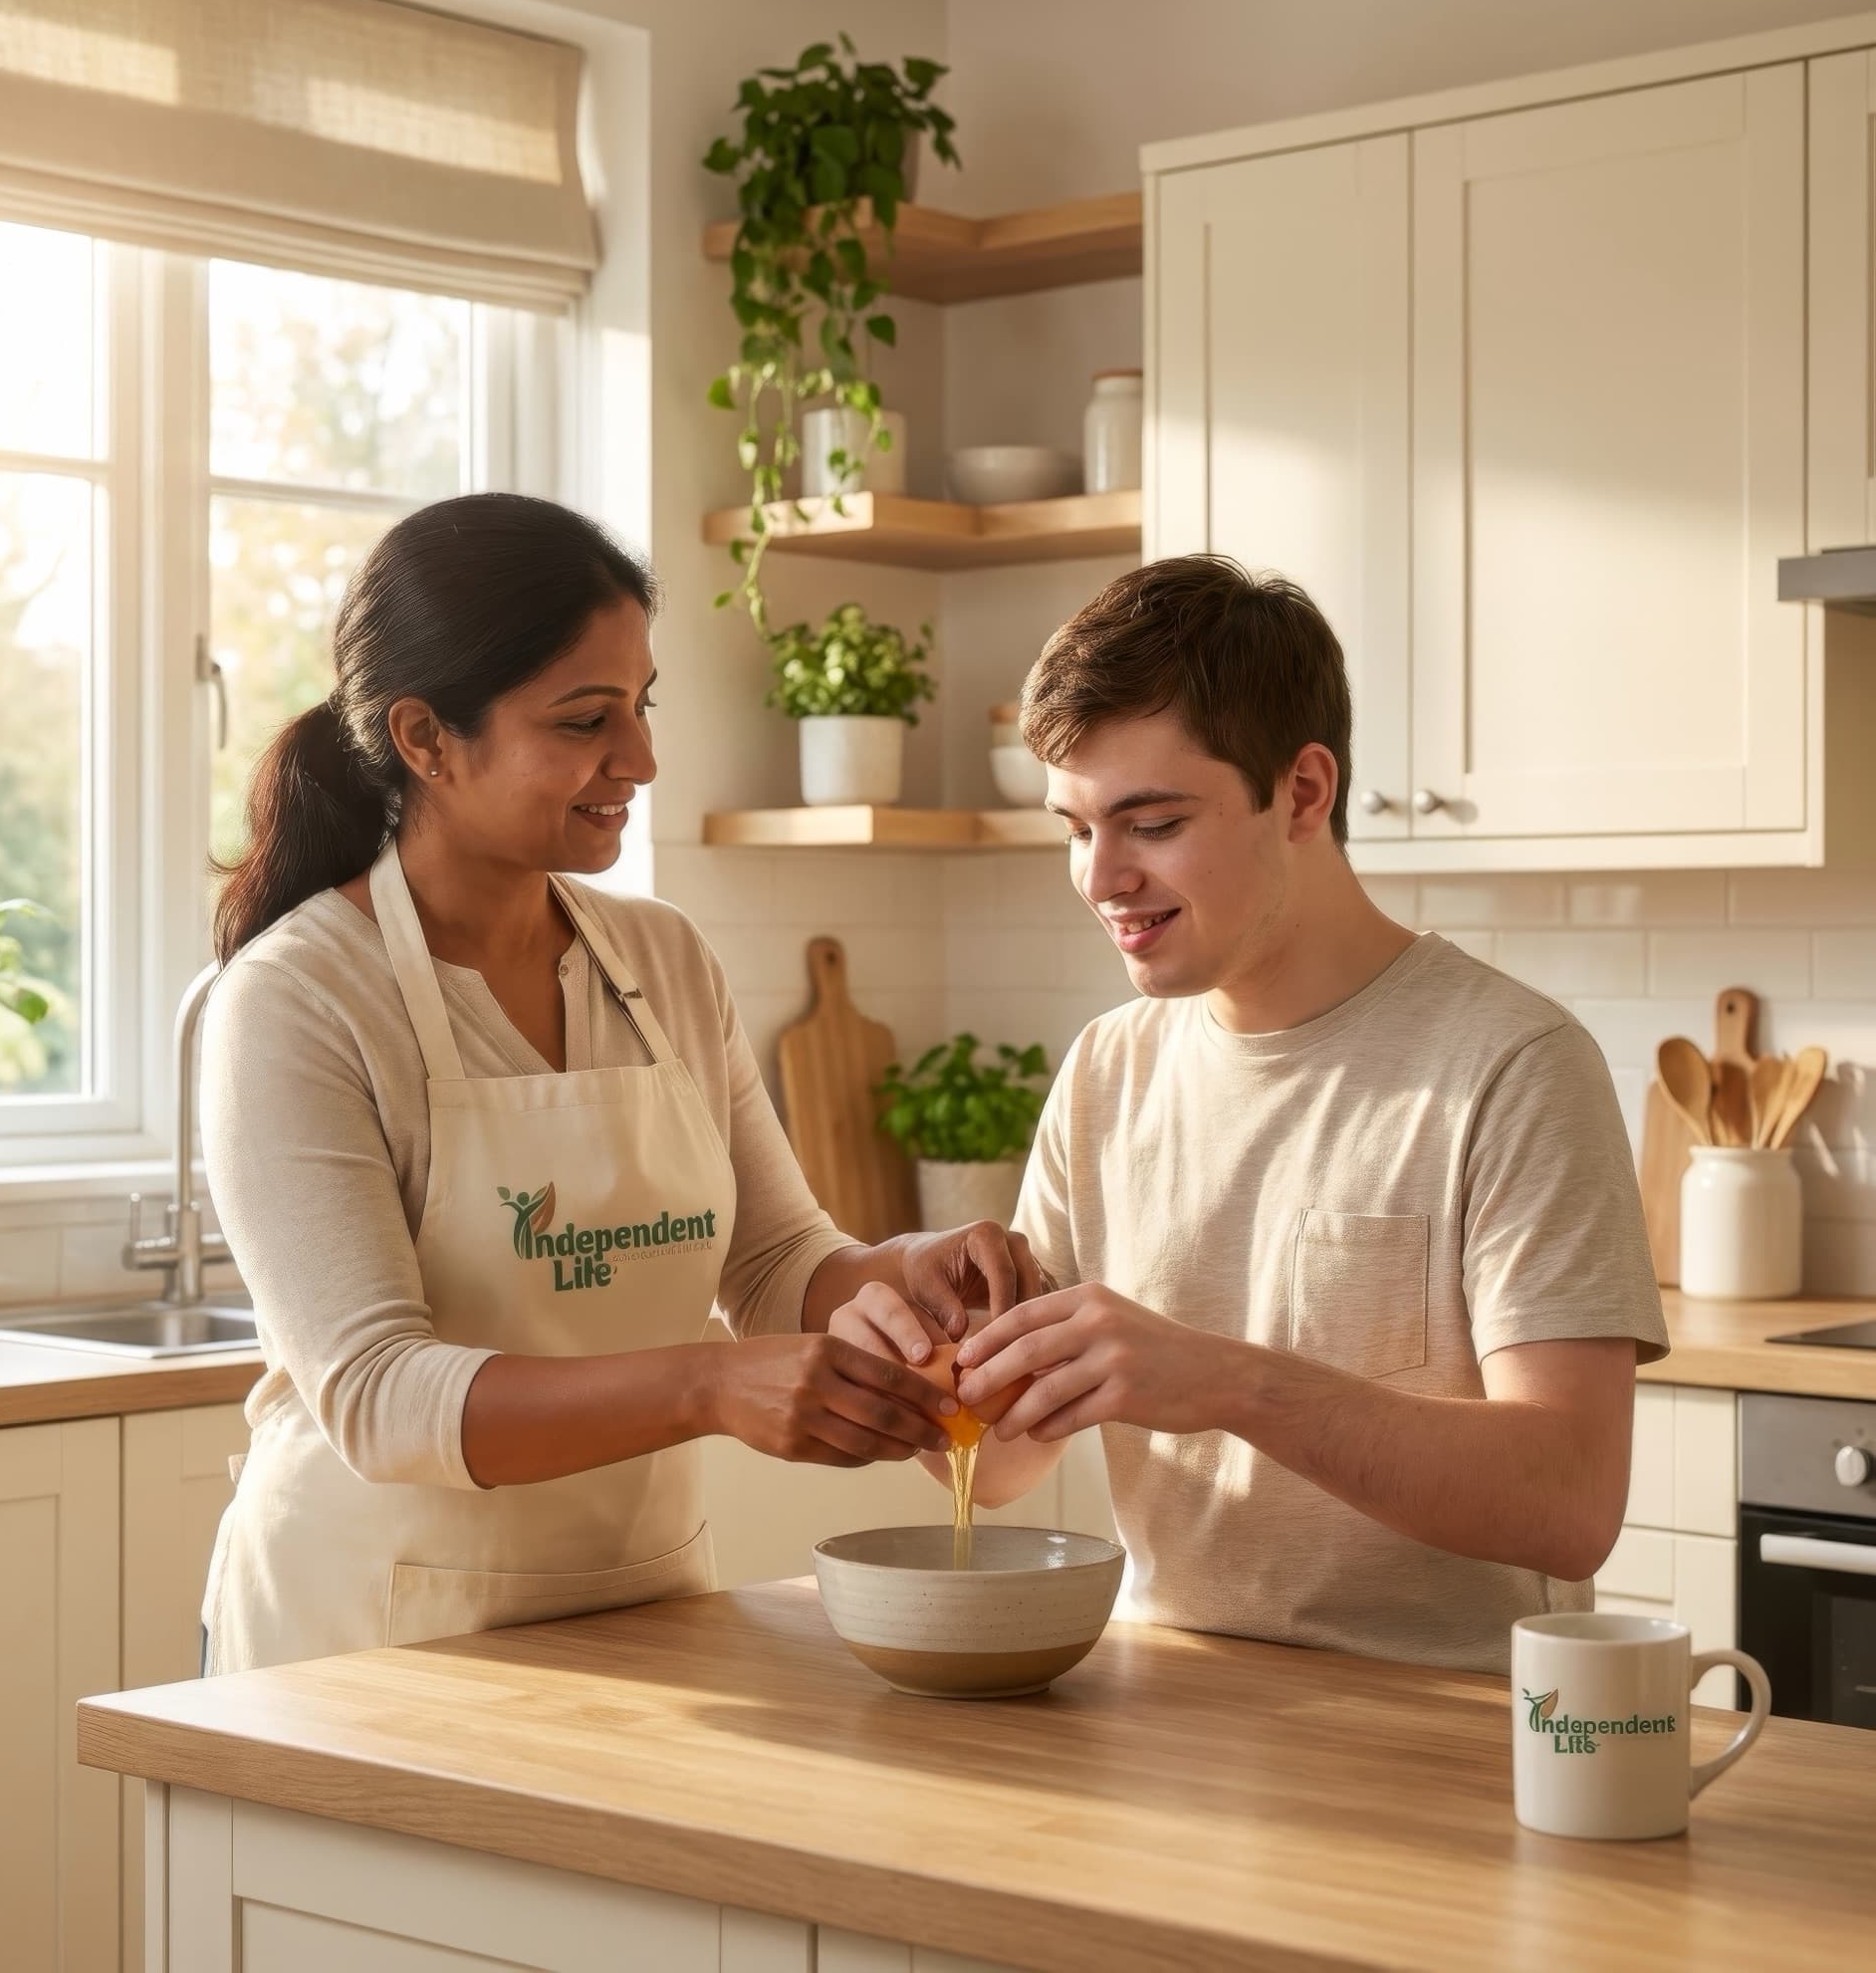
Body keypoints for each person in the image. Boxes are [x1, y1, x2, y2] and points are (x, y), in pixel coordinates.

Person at [198, 493, 1040, 1674]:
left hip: (639, 1616)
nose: (638, 760)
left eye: (641, 707)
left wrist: (910, 1270)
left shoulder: (660, 958)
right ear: (426, 739)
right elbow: (379, 1395)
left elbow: (772, 1262)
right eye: (585, 719)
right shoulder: (301, 998)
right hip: (370, 1640)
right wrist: (704, 1383)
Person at [838, 554, 1667, 1672]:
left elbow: (1566, 1499)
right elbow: (1008, 1459)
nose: (1098, 877)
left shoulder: (1511, 1065)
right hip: (1166, 1719)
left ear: (1303, 792)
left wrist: (1228, 1380)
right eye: (1075, 827)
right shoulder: (1106, 1071)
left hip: (1447, 1740)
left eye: (1151, 821)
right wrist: (928, 1378)